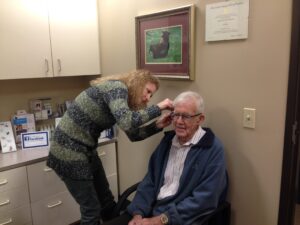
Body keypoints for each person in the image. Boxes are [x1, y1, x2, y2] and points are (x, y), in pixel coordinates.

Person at [46, 69, 173, 225]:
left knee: (106, 201)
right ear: (138, 83)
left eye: (151, 96)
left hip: (86, 151)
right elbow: (128, 121)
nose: (148, 98)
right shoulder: (117, 88)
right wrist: (160, 107)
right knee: (91, 211)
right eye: (147, 91)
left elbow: (134, 135)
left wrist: (158, 125)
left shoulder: (123, 101)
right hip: (67, 152)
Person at [103, 91, 228, 225]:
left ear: (200, 119)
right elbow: (150, 181)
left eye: (185, 116)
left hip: (179, 218)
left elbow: (205, 199)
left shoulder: (212, 149)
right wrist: (138, 214)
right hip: (151, 209)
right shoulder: (168, 142)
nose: (179, 121)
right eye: (175, 115)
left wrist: (159, 220)